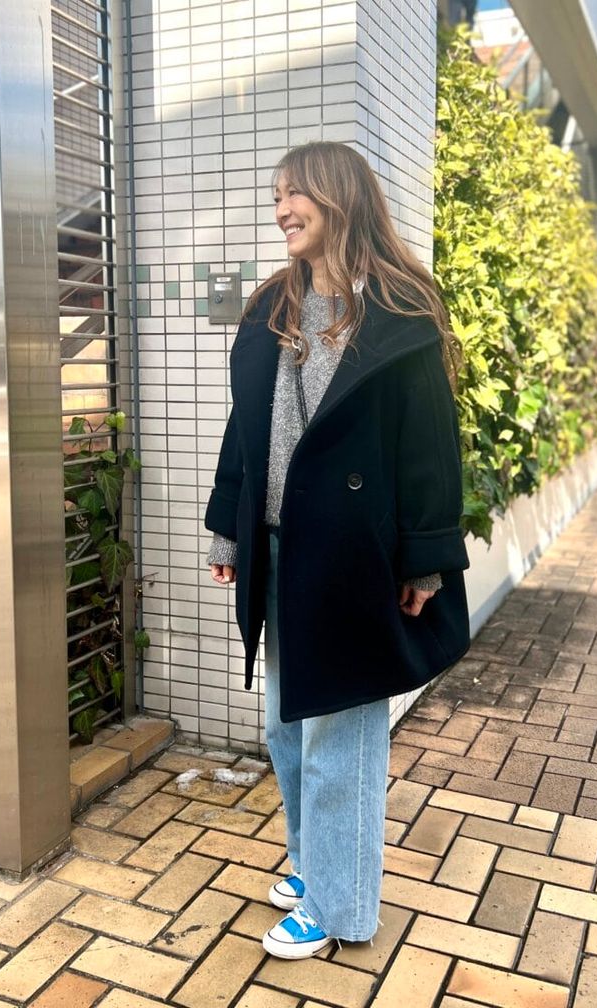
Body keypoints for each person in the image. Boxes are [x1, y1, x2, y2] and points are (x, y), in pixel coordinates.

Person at [204, 141, 471, 959]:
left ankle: (340, 905)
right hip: (279, 549)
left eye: (296, 194)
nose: (282, 209)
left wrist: (425, 558)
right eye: (277, 195)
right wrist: (228, 525)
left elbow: (430, 445)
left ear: (339, 196)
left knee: (338, 741)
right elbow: (246, 428)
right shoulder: (273, 306)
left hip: (354, 557)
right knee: (287, 729)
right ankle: (315, 865)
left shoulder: (399, 308)